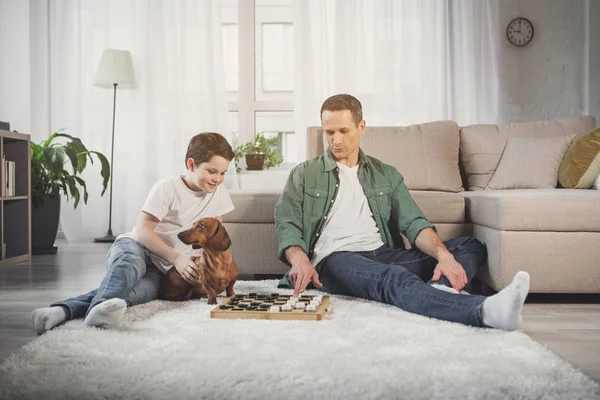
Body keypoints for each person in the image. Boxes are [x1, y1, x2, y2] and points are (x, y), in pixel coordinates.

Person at [274, 94, 530, 331]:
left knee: (469, 247)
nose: (336, 140)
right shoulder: (304, 174)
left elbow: (414, 223)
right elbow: (288, 223)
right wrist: (299, 260)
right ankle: (484, 311)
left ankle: (438, 291)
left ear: (362, 127)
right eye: (329, 132)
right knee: (394, 278)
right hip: (335, 260)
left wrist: (444, 256)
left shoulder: (385, 173)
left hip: (381, 252)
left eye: (343, 131)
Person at [31, 132, 235, 334]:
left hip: (162, 270)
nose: (217, 179)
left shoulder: (219, 194)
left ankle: (60, 312)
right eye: (212, 171)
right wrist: (177, 257)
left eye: (223, 173)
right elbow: (143, 231)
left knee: (134, 294)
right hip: (137, 246)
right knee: (129, 270)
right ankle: (95, 312)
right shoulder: (167, 188)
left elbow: (210, 241)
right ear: (191, 165)